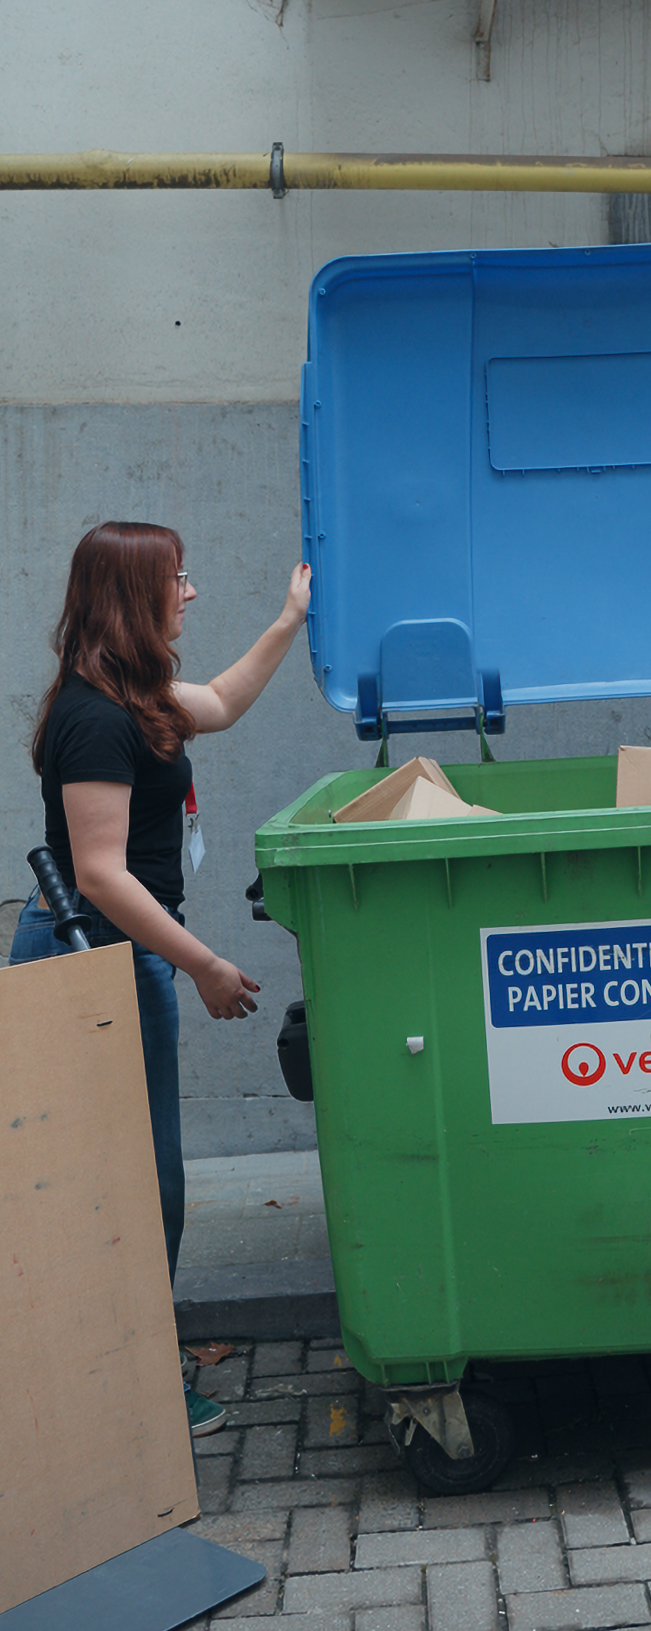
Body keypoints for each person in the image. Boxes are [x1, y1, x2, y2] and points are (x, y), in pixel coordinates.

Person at [10, 522, 310, 1432]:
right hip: (91, 956)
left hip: (123, 950)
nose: (189, 593)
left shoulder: (132, 695)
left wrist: (291, 616)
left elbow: (219, 699)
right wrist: (206, 963)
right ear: (134, 596)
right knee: (134, 1182)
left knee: (141, 1177)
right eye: (178, 580)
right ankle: (129, 1381)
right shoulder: (94, 716)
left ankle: (122, 1361)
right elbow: (100, 871)